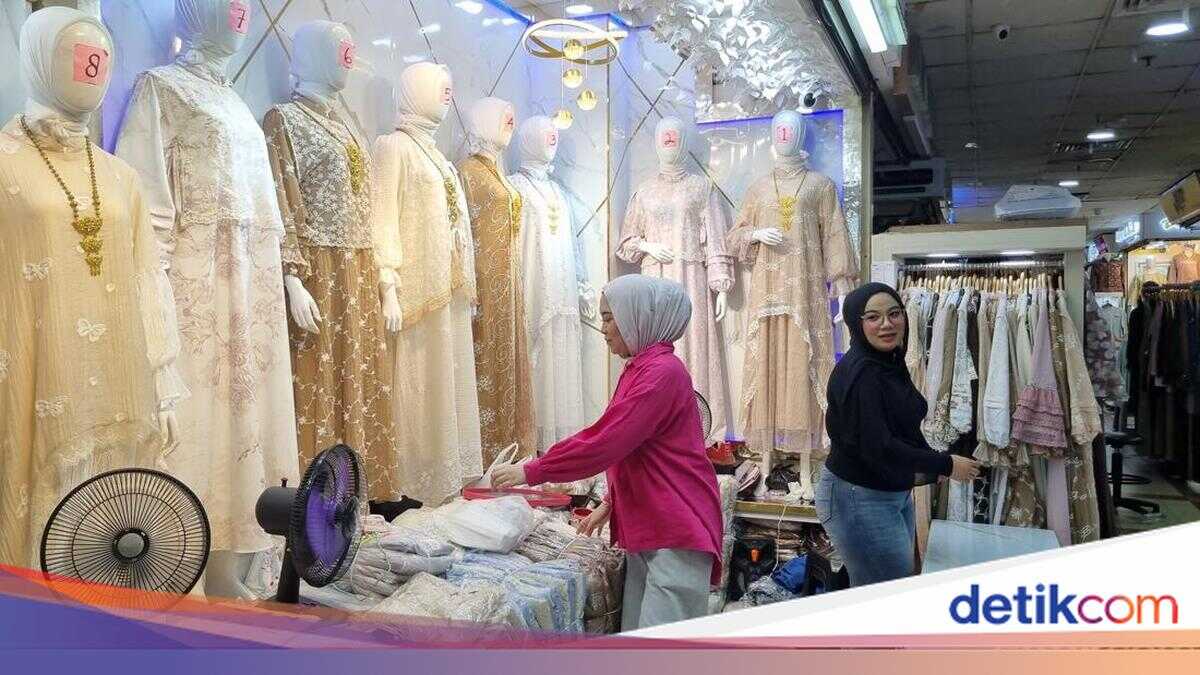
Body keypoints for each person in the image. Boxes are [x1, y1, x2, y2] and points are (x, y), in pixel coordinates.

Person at [492, 274, 723, 630]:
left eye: (609, 317)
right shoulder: (640, 368)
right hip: (656, 525)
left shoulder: (661, 372)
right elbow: (640, 449)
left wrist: (533, 470)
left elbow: (608, 440)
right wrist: (611, 505)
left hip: (677, 526)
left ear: (637, 316)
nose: (603, 329)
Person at [817, 282, 980, 587]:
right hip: (858, 496)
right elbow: (879, 446)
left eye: (894, 314)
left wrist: (932, 462)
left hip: (887, 490)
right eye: (873, 317)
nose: (887, 324)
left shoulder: (889, 362)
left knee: (890, 582)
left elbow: (901, 426)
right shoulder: (863, 373)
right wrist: (944, 464)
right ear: (856, 322)